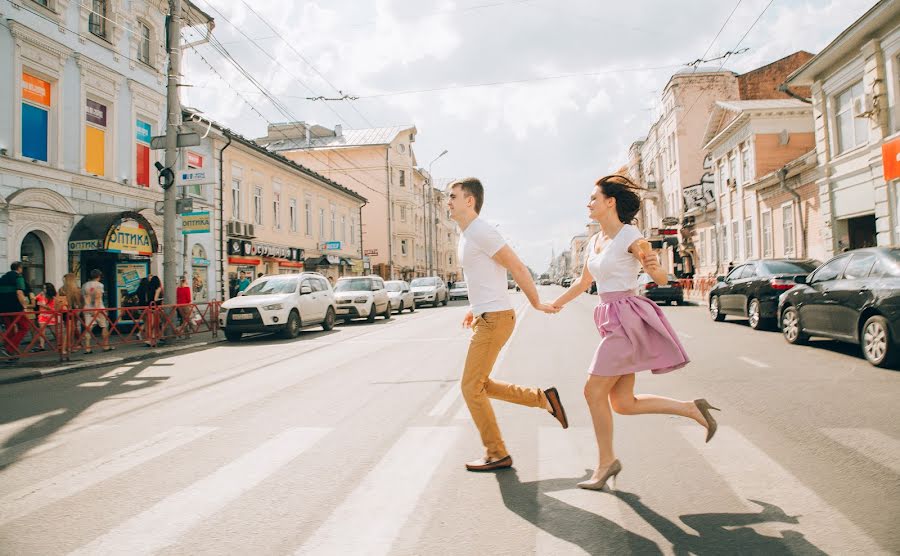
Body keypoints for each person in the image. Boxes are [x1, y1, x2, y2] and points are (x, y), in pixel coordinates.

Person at [551, 175, 720, 490]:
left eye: (593, 198)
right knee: (623, 403)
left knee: (592, 392)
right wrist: (554, 304)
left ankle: (606, 463)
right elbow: (584, 283)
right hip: (609, 318)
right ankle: (691, 408)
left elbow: (658, 274)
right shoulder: (596, 240)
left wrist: (655, 268)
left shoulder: (631, 235)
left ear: (609, 202)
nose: (588, 203)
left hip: (625, 319)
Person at [447, 177, 567, 472]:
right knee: (480, 385)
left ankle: (497, 452)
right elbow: (482, 277)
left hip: (496, 319)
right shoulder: (466, 235)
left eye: (452, 196)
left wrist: (536, 302)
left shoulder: (481, 231)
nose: (447, 201)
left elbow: (516, 266)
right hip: (486, 317)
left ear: (469, 200)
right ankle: (543, 399)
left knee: (470, 387)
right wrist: (473, 309)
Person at [0, 262, 30, 359]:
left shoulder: (3, 278)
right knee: (24, 327)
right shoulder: (18, 277)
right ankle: (10, 349)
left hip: (3, 308)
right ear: (20, 268)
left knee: (10, 328)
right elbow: (19, 293)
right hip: (16, 307)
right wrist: (24, 306)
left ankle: (7, 348)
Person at [82, 269, 111, 353]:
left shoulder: (85, 285)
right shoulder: (99, 285)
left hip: (87, 308)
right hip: (99, 309)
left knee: (88, 328)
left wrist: (88, 307)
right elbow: (98, 297)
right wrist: (96, 309)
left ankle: (87, 347)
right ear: (99, 276)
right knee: (104, 326)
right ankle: (105, 345)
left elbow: (86, 297)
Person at [59, 273, 84, 356]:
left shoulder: (61, 289)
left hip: (65, 311)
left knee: (69, 329)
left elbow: (59, 300)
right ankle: (68, 347)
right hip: (73, 311)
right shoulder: (76, 290)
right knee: (71, 330)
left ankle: (69, 346)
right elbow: (80, 302)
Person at [34, 282, 58, 351]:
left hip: (51, 315)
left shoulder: (53, 297)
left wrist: (43, 305)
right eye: (43, 288)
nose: (44, 289)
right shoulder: (40, 295)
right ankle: (42, 346)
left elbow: (53, 308)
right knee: (42, 331)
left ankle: (59, 343)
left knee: (53, 331)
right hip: (42, 315)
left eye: (45, 288)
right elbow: (34, 299)